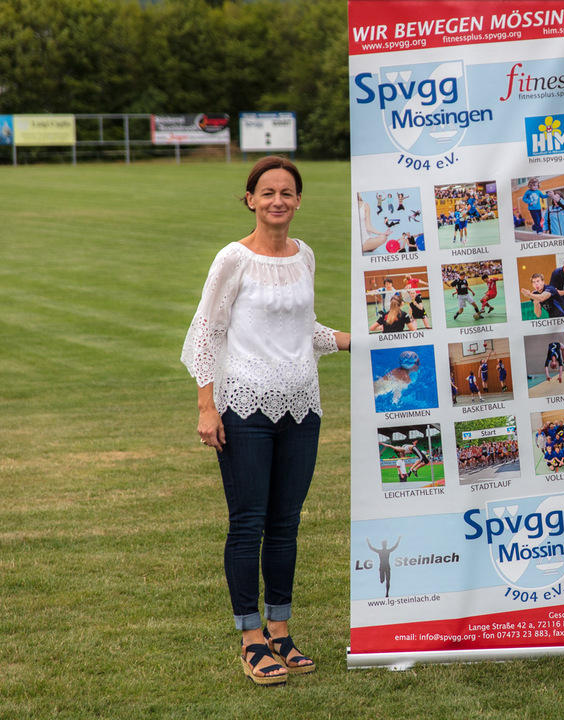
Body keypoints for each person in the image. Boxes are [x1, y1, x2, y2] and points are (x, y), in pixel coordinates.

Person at [180, 156, 352, 685]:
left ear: (298, 201)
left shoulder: (305, 256)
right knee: (248, 523)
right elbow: (207, 332)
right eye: (268, 192)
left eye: (287, 192)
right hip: (243, 409)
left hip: (302, 409)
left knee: (285, 525)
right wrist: (207, 406)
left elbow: (304, 329)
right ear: (251, 199)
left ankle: (281, 630)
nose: (278, 200)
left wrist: (354, 340)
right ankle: (251, 638)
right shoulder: (232, 258)